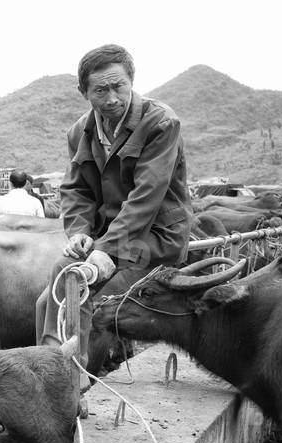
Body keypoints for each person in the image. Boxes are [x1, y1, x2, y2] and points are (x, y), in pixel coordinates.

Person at [36, 44, 194, 385]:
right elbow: (76, 190)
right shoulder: (80, 132)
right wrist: (79, 231)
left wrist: (105, 249)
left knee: (80, 292)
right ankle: (59, 370)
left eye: (118, 86)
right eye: (100, 90)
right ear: (83, 92)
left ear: (131, 81)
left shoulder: (160, 123)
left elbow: (145, 199)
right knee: (47, 299)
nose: (111, 98)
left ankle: (69, 381)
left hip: (154, 237)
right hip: (109, 240)